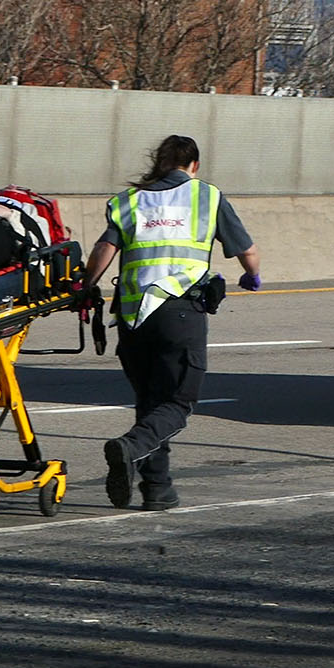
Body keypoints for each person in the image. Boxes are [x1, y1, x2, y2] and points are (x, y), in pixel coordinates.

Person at [84, 135, 261, 512]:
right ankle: (130, 448)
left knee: (151, 402)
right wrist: (251, 274)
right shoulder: (207, 196)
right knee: (177, 402)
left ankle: (157, 489)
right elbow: (247, 250)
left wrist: (86, 285)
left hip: (133, 318)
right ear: (194, 165)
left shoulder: (129, 201)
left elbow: (104, 250)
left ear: (160, 163)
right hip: (179, 312)